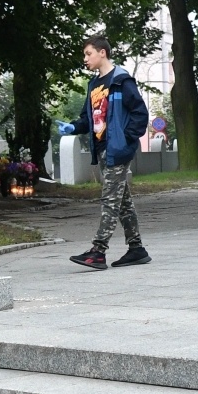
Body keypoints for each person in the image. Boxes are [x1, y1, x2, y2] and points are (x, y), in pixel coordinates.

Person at [58, 36, 151, 269]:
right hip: (101, 150)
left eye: (88, 54)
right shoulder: (93, 85)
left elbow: (140, 114)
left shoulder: (121, 81)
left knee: (109, 199)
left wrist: (125, 140)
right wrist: (73, 127)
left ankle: (98, 252)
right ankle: (137, 249)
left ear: (102, 53)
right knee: (122, 202)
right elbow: (87, 118)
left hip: (117, 150)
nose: (85, 59)